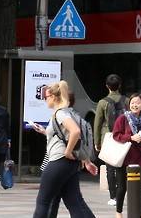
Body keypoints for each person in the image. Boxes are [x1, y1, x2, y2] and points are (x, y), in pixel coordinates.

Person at [32, 80, 97, 218]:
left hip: (59, 160)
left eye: (46, 97)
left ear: (54, 97)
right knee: (74, 201)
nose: (45, 100)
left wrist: (67, 151)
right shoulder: (69, 112)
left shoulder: (60, 113)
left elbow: (75, 132)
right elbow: (67, 136)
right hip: (71, 163)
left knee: (43, 201)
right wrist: (86, 160)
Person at [112, 93, 141, 218]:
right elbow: (116, 135)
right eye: (132, 103)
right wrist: (130, 137)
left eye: (138, 103)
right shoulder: (123, 119)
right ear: (129, 104)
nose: (135, 105)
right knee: (122, 187)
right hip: (125, 157)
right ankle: (118, 212)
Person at [94, 74, 126, 206]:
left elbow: (97, 123)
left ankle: (113, 196)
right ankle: (121, 193)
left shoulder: (102, 102)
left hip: (108, 136)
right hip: (123, 137)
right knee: (121, 167)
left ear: (107, 86)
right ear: (120, 86)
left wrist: (97, 142)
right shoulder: (127, 100)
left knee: (110, 168)